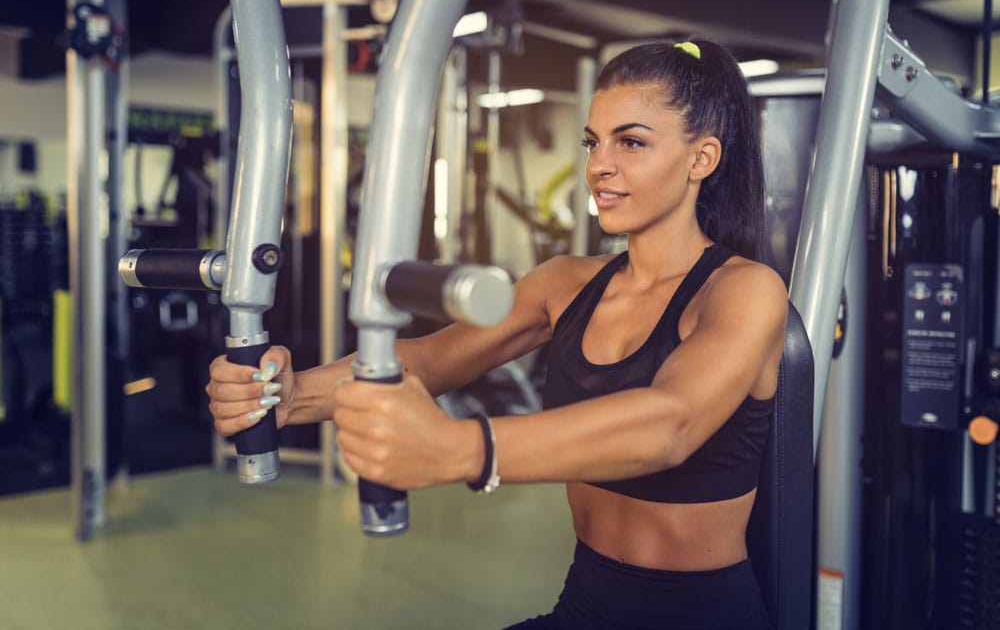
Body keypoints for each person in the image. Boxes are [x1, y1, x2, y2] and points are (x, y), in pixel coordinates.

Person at [206, 38, 787, 630]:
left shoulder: (743, 290)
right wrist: (286, 395)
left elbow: (671, 424)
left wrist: (460, 450)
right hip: (585, 606)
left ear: (702, 159)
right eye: (593, 142)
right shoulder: (565, 284)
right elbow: (431, 360)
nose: (599, 165)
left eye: (631, 141)